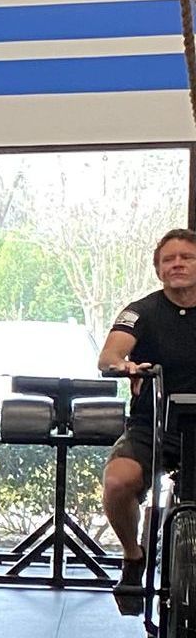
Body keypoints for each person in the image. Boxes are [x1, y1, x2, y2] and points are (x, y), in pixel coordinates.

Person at [100, 228, 196, 614]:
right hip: (154, 426)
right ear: (158, 270)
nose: (177, 264)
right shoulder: (141, 310)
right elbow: (109, 355)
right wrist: (123, 365)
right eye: (168, 259)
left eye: (185, 257)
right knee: (119, 482)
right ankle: (133, 554)